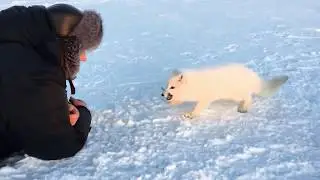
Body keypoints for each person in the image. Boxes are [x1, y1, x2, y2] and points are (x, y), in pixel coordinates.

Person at [0, 3, 103, 162]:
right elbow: (58, 145)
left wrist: (51, 109)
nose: (83, 58)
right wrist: (82, 114)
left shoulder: (13, 25)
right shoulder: (39, 73)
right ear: (70, 46)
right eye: (82, 50)